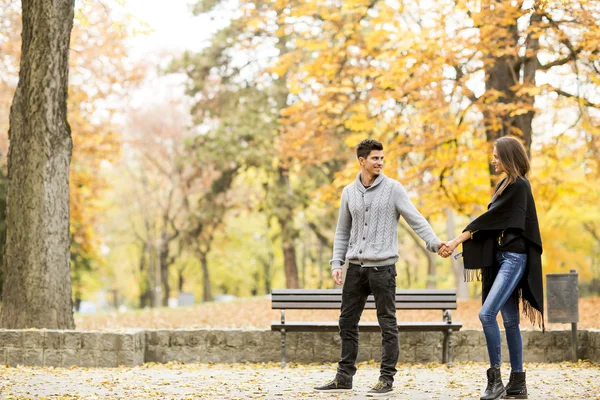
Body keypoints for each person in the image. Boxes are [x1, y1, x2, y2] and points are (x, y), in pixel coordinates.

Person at [314, 138, 446, 397]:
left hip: (383, 270)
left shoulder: (394, 189)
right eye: (375, 158)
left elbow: (415, 219)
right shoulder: (348, 192)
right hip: (354, 268)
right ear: (362, 161)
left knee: (387, 324)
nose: (380, 162)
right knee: (346, 322)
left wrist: (435, 243)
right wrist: (336, 263)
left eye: (382, 158)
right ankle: (344, 377)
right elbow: (342, 231)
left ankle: (386, 379)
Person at [439, 136, 544, 400]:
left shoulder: (519, 186)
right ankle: (518, 383)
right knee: (509, 322)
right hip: (500, 259)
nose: (493, 160)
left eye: (496, 156)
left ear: (508, 157)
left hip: (514, 259)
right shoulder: (504, 184)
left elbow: (489, 219)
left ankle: (495, 380)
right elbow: (492, 224)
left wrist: (456, 239)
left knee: (486, 315)